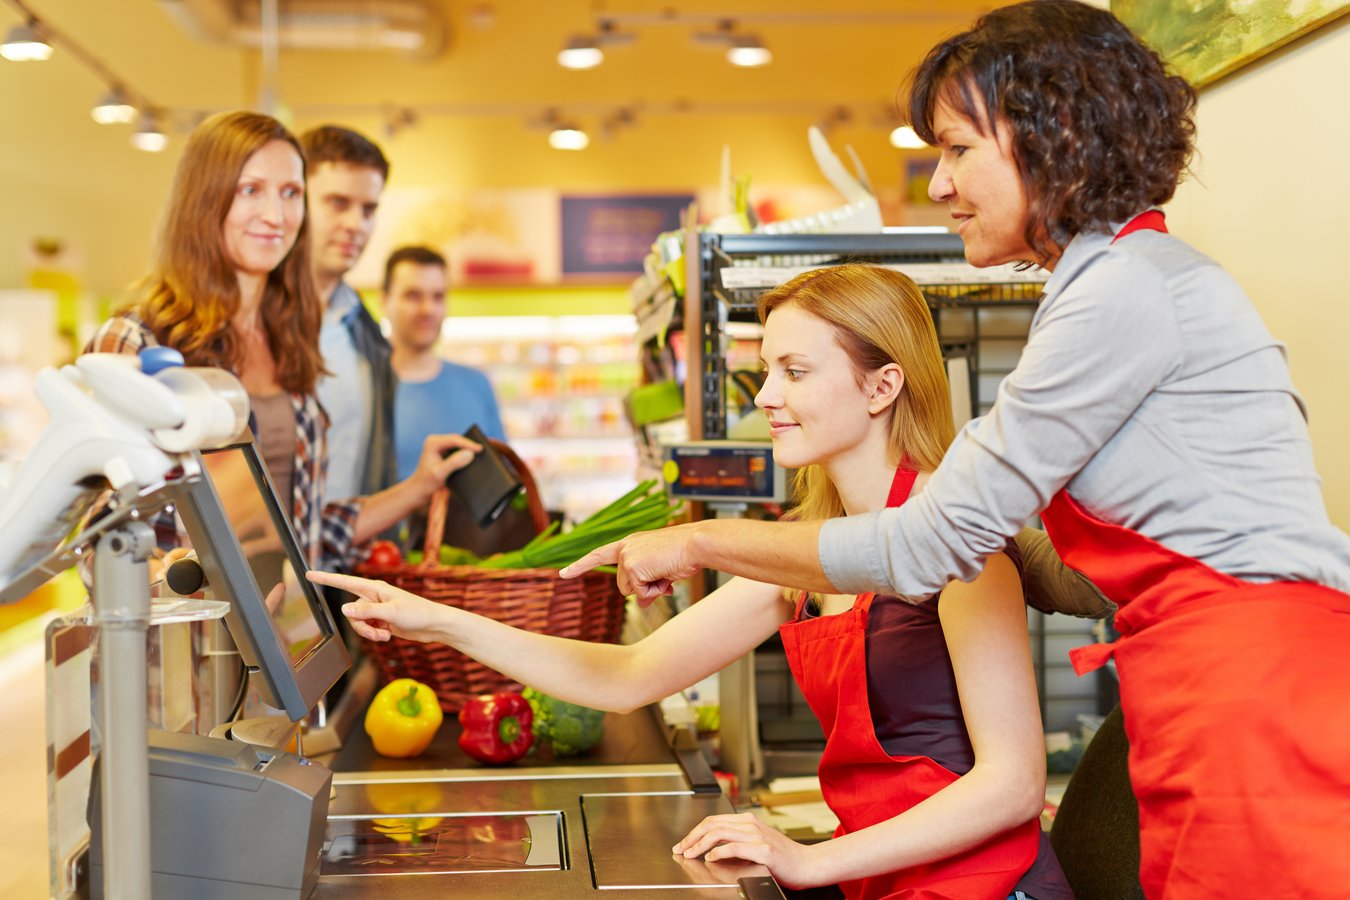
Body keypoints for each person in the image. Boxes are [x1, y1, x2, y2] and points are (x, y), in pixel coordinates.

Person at [561, 3, 1350, 897]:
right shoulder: (1105, 284)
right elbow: (1074, 567)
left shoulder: (1121, 293)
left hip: (1255, 704)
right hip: (1195, 698)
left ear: (1052, 137)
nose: (937, 184)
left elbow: (919, 546)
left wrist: (698, 540)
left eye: (956, 149)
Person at [311, 265, 1073, 899]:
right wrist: (438, 619)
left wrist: (809, 861)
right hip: (881, 878)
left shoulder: (959, 545)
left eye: (794, 371)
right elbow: (629, 675)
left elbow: (1011, 785)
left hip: (986, 885)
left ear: (881, 388)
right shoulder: (805, 559)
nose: (765, 396)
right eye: (765, 369)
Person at [86, 111, 478, 571]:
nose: (276, 216)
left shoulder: (293, 345)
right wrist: (188, 593)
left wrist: (417, 487)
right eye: (250, 190)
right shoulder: (136, 341)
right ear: (205, 199)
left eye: (291, 193)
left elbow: (302, 533)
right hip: (181, 639)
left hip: (286, 635)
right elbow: (102, 542)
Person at [298, 124, 398, 504]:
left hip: (342, 555)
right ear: (297, 198)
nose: (356, 224)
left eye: (369, 209)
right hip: (248, 559)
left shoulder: (367, 334)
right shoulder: (249, 320)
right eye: (338, 203)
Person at [384, 245, 506, 482]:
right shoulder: (364, 391)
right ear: (385, 300)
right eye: (413, 296)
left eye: (438, 296)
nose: (427, 309)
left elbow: (502, 475)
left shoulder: (476, 385)